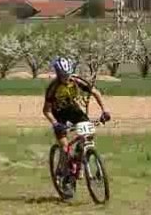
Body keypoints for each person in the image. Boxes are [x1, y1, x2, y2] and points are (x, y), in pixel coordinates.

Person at [42, 56, 111, 198]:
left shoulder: (76, 81)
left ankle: (84, 154)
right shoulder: (53, 88)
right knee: (65, 147)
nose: (66, 78)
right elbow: (46, 110)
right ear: (58, 74)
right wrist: (55, 124)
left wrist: (104, 111)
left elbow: (95, 93)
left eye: (67, 74)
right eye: (62, 75)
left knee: (89, 133)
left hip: (73, 111)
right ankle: (66, 177)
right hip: (58, 115)